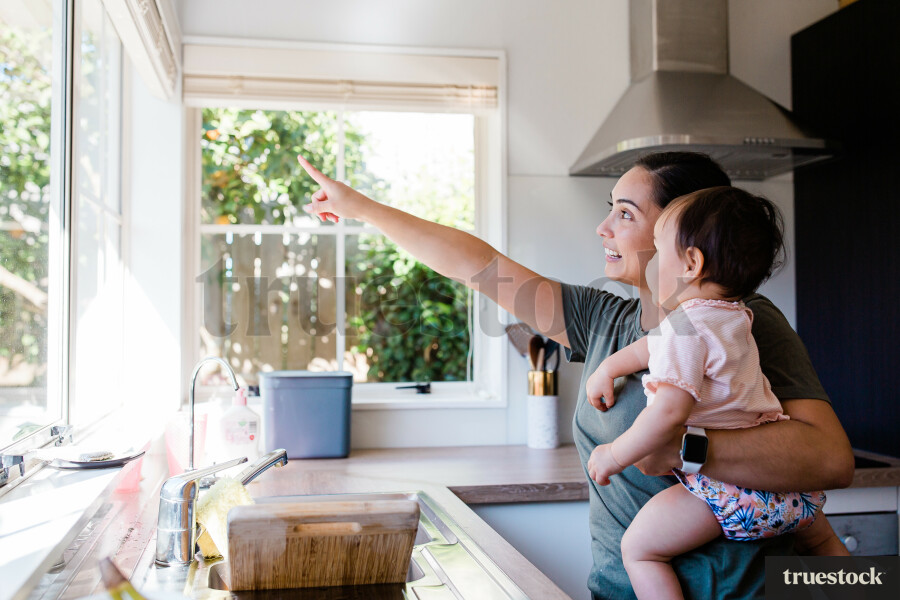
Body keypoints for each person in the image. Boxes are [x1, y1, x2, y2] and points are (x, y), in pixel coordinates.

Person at [296, 151, 854, 599]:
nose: (603, 227)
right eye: (610, 208)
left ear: (685, 238)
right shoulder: (604, 319)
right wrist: (362, 208)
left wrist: (684, 449)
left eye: (626, 214)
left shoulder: (743, 323)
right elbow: (477, 265)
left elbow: (830, 459)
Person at [583, 186, 848, 600]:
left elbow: (669, 413)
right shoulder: (736, 317)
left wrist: (614, 454)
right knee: (823, 544)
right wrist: (610, 365)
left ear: (691, 262)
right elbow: (658, 345)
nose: (653, 258)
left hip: (727, 494)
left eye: (658, 247)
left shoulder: (684, 326)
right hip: (791, 493)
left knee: (639, 551)